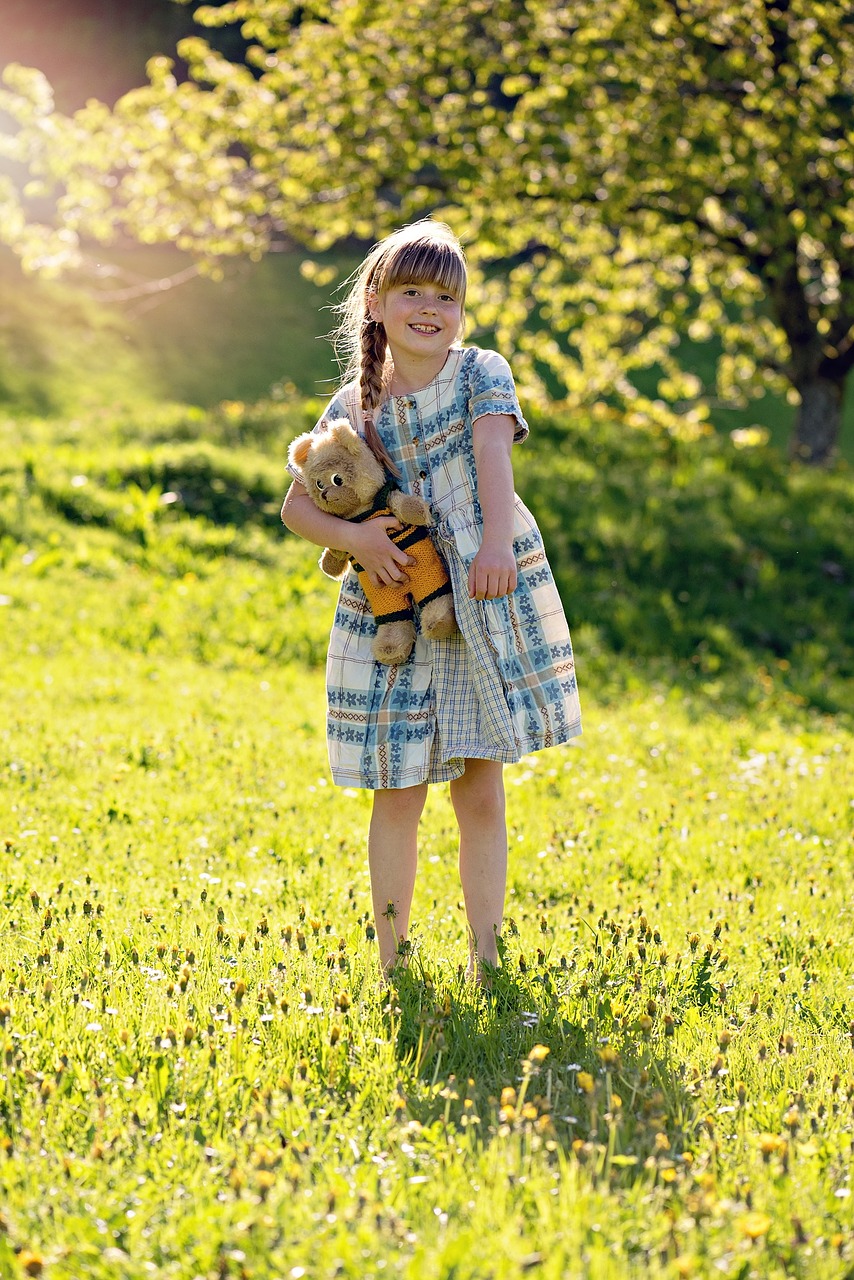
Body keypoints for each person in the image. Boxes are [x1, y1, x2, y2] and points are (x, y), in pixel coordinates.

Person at [281, 220, 581, 979]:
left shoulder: (481, 371)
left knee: (480, 783)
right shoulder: (355, 403)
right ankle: (394, 960)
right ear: (377, 303)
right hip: (392, 601)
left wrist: (491, 547)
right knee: (398, 785)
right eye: (410, 291)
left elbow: (490, 455)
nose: (428, 307)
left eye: (445, 295)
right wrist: (360, 543)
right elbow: (299, 509)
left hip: (476, 590)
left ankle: (487, 955)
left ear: (461, 308)